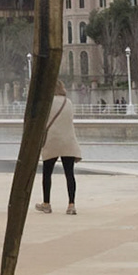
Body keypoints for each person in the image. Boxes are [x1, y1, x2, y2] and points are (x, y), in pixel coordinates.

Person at [37, 80, 82, 215]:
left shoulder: (47, 103)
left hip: (52, 141)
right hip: (68, 141)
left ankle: (46, 203)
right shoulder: (68, 103)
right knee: (69, 174)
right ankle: (71, 204)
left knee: (47, 174)